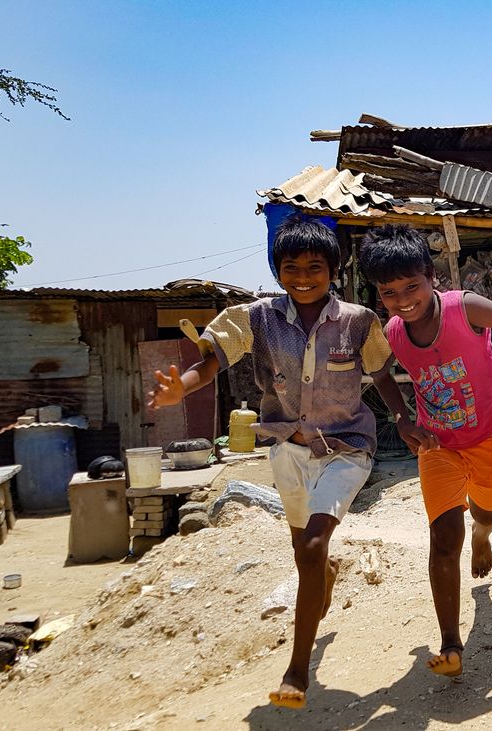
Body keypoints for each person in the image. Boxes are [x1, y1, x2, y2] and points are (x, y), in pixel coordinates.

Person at [148, 216, 388, 709]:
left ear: (334, 269)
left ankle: (297, 670)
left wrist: (405, 418)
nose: (303, 276)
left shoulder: (358, 320)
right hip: (286, 448)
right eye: (291, 266)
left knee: (313, 543)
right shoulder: (254, 318)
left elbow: (382, 372)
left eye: (314, 267)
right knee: (305, 550)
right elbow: (210, 360)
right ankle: (323, 579)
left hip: (346, 446)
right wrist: (182, 389)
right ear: (277, 271)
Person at [359, 224, 492, 678]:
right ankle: (450, 644)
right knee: (444, 540)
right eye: (390, 292)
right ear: (379, 294)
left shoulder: (464, 308)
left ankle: (484, 536)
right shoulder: (393, 332)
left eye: (413, 286)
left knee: (484, 515)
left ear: (431, 278)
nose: (404, 299)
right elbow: (378, 371)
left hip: (487, 439)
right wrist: (402, 419)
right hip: (436, 446)